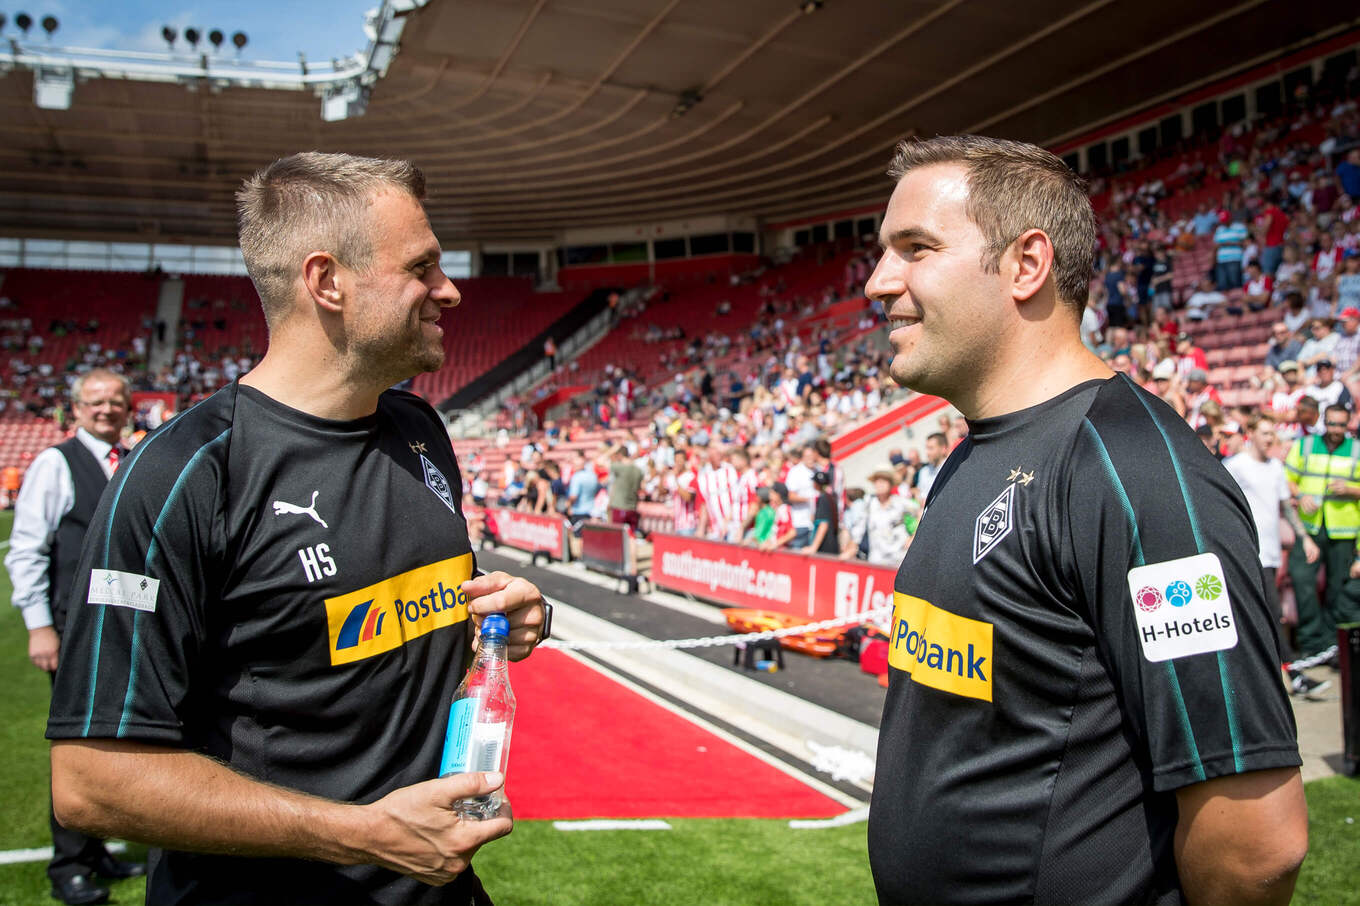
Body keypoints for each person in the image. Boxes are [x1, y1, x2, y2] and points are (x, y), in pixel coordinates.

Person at [45, 153, 551, 905]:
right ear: (327, 282)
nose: (449, 289)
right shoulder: (183, 475)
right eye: (422, 267)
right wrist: (362, 833)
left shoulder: (418, 429)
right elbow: (92, 783)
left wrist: (507, 617)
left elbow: (389, 622)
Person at [864, 135, 1305, 904]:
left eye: (915, 248)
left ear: (1026, 266)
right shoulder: (975, 452)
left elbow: (1254, 842)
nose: (878, 282)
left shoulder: (1137, 475)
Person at [5, 369, 146, 906]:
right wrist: (40, 626)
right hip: (74, 627)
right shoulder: (54, 463)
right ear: (75, 409)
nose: (106, 409)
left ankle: (95, 851)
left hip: (126, 623)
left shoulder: (135, 455)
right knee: (81, 747)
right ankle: (69, 865)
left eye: (115, 400)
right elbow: (27, 548)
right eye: (95, 401)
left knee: (119, 742)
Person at [1222, 413, 1327, 698]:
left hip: (1270, 553)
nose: (1271, 439)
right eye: (1265, 433)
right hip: (1246, 553)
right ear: (1251, 433)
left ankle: (1271, 678)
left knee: (1267, 614)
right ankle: (1292, 673)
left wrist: (1304, 538)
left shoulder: (1276, 468)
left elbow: (1287, 508)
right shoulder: (1236, 466)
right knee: (1269, 612)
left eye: (1273, 434)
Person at [1283, 403, 1360, 673]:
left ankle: (1333, 646)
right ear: (1323, 422)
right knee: (1302, 581)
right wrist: (1300, 495)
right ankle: (1312, 643)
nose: (1336, 430)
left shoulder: (1356, 449)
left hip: (1344, 531)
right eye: (1331, 424)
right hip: (1310, 531)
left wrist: (1350, 489)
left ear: (1348, 424)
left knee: (1338, 591)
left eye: (1341, 425)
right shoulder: (1304, 445)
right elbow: (1287, 478)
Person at [808, 470, 840, 555]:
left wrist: (813, 547)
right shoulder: (831, 497)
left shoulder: (823, 498)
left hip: (825, 547)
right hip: (832, 543)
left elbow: (823, 524)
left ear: (815, 484)